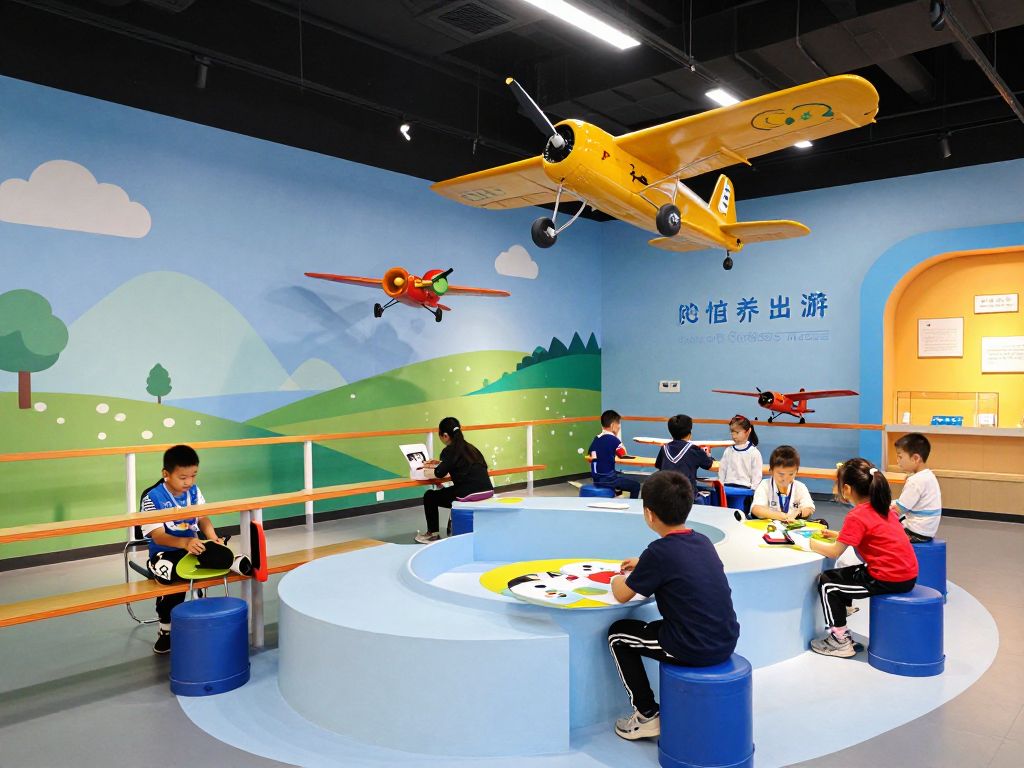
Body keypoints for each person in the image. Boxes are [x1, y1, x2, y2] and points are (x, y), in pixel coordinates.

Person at [606, 471, 740, 740]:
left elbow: (621, 594)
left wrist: (615, 578)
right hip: (726, 639)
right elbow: (680, 563)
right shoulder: (702, 541)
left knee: (618, 635)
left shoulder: (658, 552)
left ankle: (646, 714)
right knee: (655, 626)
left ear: (649, 514)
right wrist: (643, 564)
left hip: (693, 646)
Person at [793, 458, 918, 658]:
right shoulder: (882, 508)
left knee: (828, 584)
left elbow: (834, 552)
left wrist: (804, 542)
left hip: (888, 578)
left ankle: (839, 641)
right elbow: (869, 534)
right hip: (905, 574)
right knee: (838, 576)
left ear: (847, 489)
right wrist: (838, 534)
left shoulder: (857, 515)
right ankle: (841, 630)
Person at [141, 444, 249, 655]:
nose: (189, 482)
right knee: (176, 578)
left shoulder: (194, 491)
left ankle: (233, 562)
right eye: (183, 477)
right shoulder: (152, 498)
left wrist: (213, 538)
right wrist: (184, 543)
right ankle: (166, 630)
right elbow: (158, 536)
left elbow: (203, 518)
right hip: (165, 553)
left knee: (219, 555)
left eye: (193, 476)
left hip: (194, 548)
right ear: (166, 474)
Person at [414, 416, 493, 543]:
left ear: (445, 435)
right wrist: (441, 463)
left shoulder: (449, 450)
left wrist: (432, 467)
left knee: (429, 496)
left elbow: (439, 473)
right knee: (452, 490)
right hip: (487, 490)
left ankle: (432, 534)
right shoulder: (471, 448)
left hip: (468, 493)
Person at [893, 433, 942, 543]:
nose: (897, 461)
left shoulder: (915, 481)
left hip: (915, 532)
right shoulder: (929, 475)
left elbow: (899, 509)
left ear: (915, 458)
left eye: (900, 457)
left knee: (881, 528)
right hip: (927, 531)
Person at [653, 414, 714, 499]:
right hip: (686, 496)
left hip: (665, 494)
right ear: (689, 434)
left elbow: (658, 465)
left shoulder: (664, 448)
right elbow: (708, 464)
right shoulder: (693, 449)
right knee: (709, 494)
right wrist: (708, 455)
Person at [750, 445, 815, 521]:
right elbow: (756, 509)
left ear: (796, 472)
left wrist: (799, 513)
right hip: (770, 525)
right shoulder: (765, 485)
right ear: (771, 471)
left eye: (791, 474)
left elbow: (809, 508)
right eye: (781, 474)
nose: (785, 479)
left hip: (793, 524)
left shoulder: (800, 487)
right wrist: (781, 516)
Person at [588, 409, 641, 499]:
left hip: (596, 478)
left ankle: (617, 495)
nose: (619, 427)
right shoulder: (614, 440)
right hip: (608, 480)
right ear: (613, 425)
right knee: (636, 485)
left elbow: (591, 454)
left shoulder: (596, 439)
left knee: (618, 475)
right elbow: (623, 454)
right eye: (618, 424)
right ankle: (632, 505)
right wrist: (617, 437)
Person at [717, 414, 762, 514]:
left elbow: (757, 474)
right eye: (732, 432)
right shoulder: (728, 451)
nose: (734, 435)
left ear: (748, 431)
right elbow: (722, 470)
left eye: (737, 432)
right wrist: (721, 486)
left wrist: (753, 491)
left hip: (744, 491)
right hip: (727, 489)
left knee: (739, 516)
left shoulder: (754, 452)